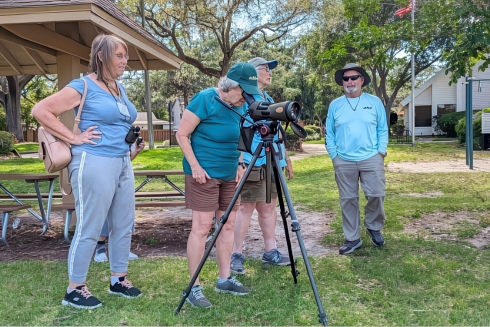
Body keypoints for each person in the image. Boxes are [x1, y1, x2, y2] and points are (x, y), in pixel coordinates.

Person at [32, 34, 141, 309]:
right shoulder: (83, 85)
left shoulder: (118, 87)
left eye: (126, 56)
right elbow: (41, 110)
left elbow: (117, 123)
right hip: (93, 161)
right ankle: (75, 288)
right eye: (119, 55)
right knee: (90, 226)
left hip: (122, 161)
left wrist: (129, 149)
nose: (125, 61)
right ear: (102, 56)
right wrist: (73, 138)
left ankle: (118, 279)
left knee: (123, 223)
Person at [176, 62, 262, 308]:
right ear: (229, 87)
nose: (245, 98)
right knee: (202, 227)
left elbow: (239, 137)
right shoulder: (205, 99)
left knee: (228, 225)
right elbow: (181, 134)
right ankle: (194, 286)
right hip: (204, 173)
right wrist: (195, 166)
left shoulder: (240, 105)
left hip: (229, 174)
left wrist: (239, 162)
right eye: (242, 92)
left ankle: (224, 279)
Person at [230, 57, 294, 275]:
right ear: (252, 73)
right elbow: (237, 131)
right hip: (252, 161)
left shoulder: (268, 97)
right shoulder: (243, 98)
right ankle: (236, 254)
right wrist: (239, 161)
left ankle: (271, 252)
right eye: (265, 69)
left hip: (272, 161)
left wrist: (286, 160)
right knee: (246, 208)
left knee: (268, 207)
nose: (270, 72)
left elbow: (276, 133)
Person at [325, 63, 388, 255]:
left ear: (362, 80)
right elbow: (329, 133)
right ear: (342, 82)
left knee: (377, 194)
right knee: (348, 199)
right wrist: (334, 156)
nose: (350, 81)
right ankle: (352, 238)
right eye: (346, 79)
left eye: (354, 78)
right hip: (343, 159)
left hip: (371, 156)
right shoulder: (335, 105)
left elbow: (382, 129)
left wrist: (381, 152)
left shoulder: (375, 102)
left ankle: (373, 225)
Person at [94, 139, 146, 262]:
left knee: (124, 209)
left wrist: (137, 151)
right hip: (102, 170)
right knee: (104, 209)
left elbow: (128, 158)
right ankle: (100, 248)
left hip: (123, 173)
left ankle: (122, 250)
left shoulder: (128, 129)